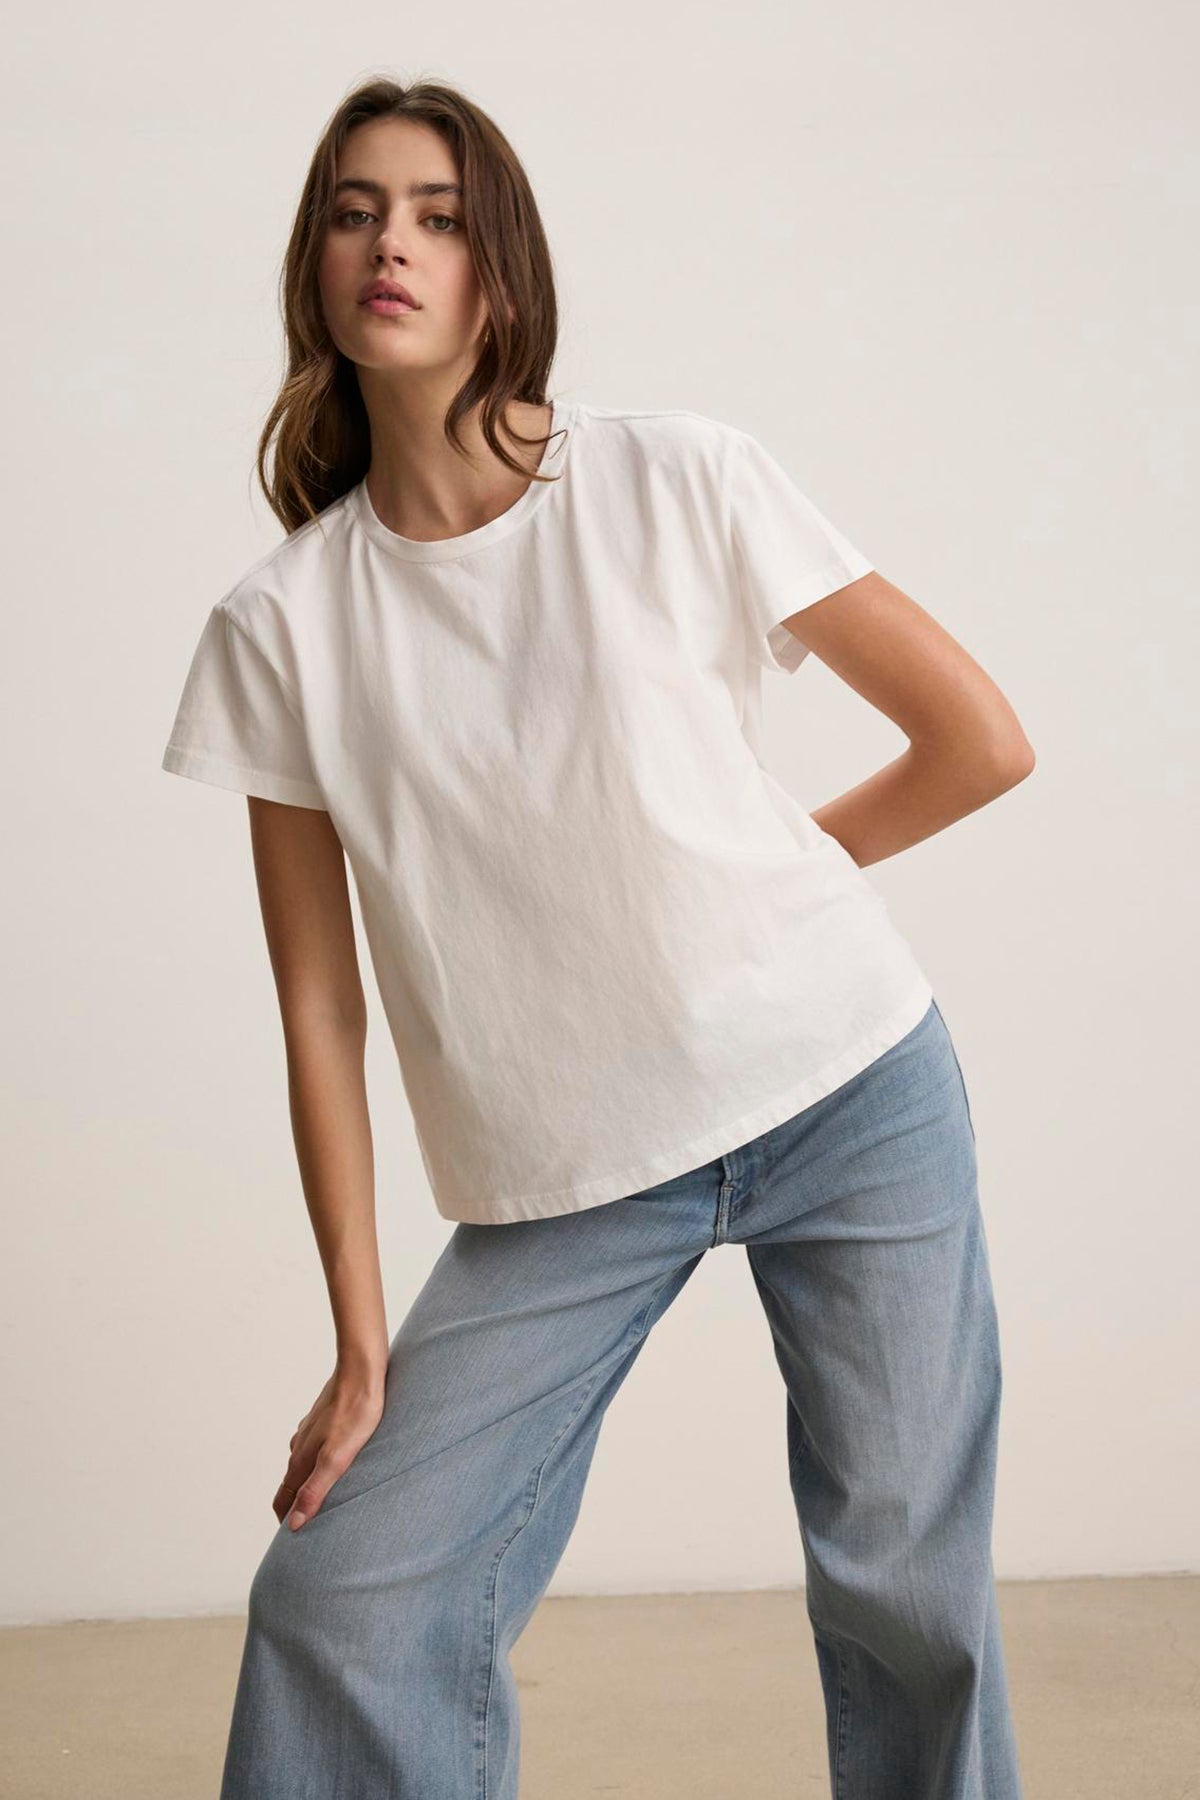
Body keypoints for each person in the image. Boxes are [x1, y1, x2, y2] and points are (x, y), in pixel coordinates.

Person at [161, 74, 1033, 1800]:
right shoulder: (281, 625)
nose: (388, 245)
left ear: (502, 265)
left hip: (847, 1090)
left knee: (908, 1593)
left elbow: (980, 741)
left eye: (435, 212)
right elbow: (319, 1015)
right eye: (353, 212)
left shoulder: (674, 475)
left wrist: (769, 879)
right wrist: (357, 1347)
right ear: (313, 267)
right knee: (344, 1594)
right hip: (566, 1172)